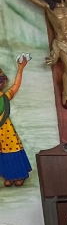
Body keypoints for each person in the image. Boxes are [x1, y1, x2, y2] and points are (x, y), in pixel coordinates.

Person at [0, 54, 32, 187]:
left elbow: (16, 85)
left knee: (12, 150)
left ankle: (18, 175)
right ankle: (8, 176)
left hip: (6, 130)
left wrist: (20, 68)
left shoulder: (4, 97)